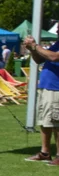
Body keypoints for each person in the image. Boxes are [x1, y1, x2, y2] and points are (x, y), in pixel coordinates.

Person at [22, 35, 59, 165]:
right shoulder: (57, 44)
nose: (58, 30)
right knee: (45, 121)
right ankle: (45, 153)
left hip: (56, 88)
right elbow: (39, 60)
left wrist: (35, 46)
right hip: (46, 87)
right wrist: (32, 50)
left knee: (56, 123)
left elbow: (54, 57)